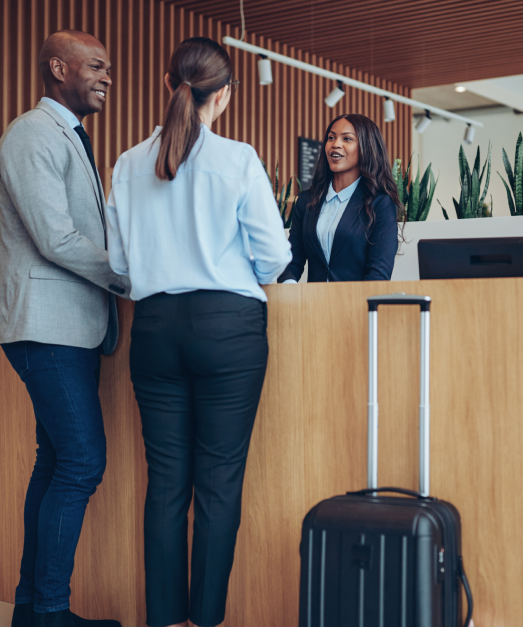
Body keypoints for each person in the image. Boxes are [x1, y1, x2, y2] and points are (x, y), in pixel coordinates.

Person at [104, 37, 290, 627]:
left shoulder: (129, 163)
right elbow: (275, 257)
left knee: (165, 484)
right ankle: (204, 619)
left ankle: (163, 618)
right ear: (226, 95)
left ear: (168, 84)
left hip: (154, 329)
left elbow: (119, 264)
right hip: (228, 330)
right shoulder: (236, 158)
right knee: (218, 482)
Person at [0, 30, 129, 627]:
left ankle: (32, 609)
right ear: (57, 68)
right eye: (95, 66)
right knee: (80, 464)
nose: (106, 77)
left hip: (69, 327)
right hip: (47, 327)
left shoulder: (68, 135)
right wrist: (127, 274)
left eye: (108, 68)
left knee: (54, 463)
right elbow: (56, 237)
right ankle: (49, 612)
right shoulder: (31, 134)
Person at [277, 113, 401, 283]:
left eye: (347, 139)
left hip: (356, 305)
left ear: (366, 147)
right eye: (331, 138)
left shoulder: (380, 203)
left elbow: (378, 272)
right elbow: (292, 261)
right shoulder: (306, 201)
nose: (336, 144)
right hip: (310, 304)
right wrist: (289, 289)